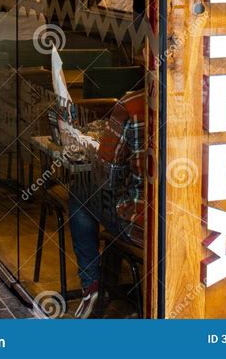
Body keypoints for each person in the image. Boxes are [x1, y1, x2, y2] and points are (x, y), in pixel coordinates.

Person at [68, 89, 145, 318]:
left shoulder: (132, 105)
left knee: (80, 193)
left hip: (140, 228)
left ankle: (92, 287)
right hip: (194, 229)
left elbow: (107, 176)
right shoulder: (206, 97)